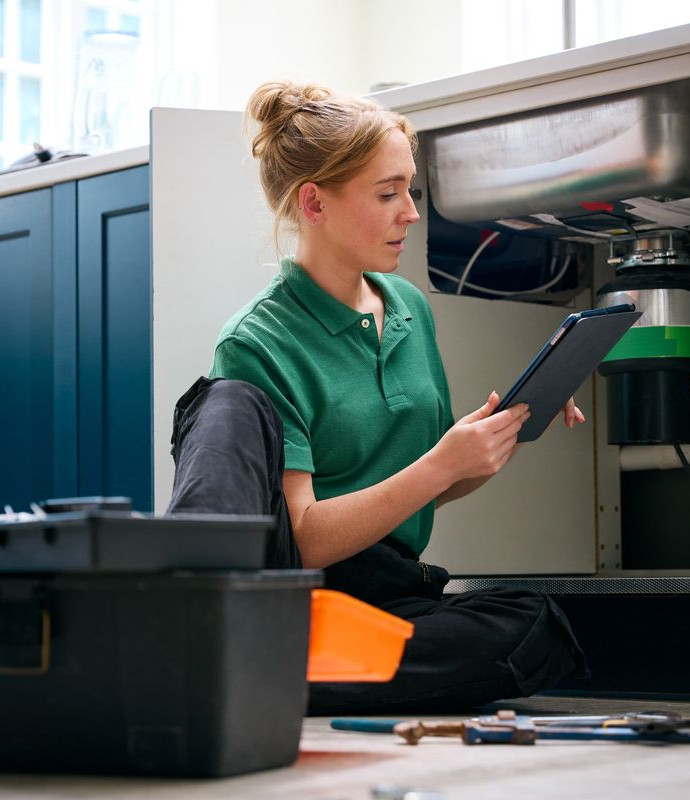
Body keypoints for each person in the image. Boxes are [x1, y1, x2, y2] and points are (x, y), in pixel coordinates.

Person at [167, 80, 588, 714]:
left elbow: (432, 481)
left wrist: (503, 430)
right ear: (314, 203)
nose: (411, 213)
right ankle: (271, 660)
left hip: (396, 590)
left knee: (533, 623)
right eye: (388, 194)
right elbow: (304, 535)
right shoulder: (257, 344)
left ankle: (273, 670)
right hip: (317, 589)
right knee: (515, 639)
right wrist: (442, 463)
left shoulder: (409, 309)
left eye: (410, 192)